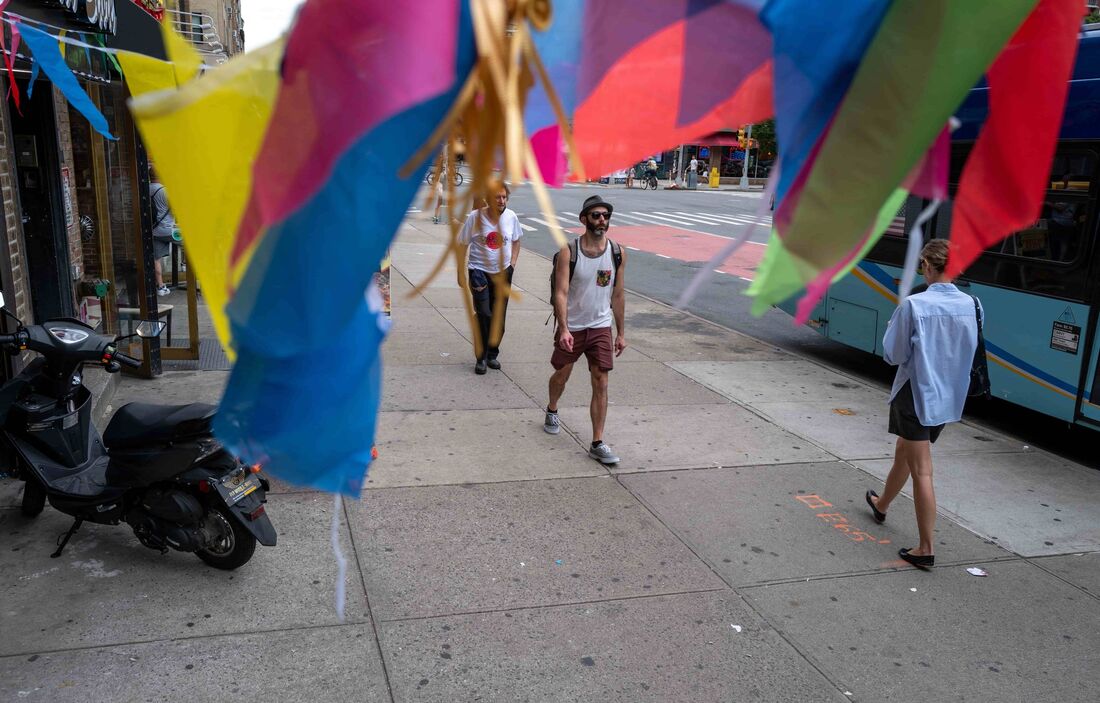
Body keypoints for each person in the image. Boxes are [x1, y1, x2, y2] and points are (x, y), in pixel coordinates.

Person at [865, 239, 980, 570]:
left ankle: (926, 547)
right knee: (906, 450)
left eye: (922, 266)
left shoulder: (914, 306)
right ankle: (881, 502)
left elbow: (894, 355)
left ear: (928, 266)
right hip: (947, 398)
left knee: (922, 470)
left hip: (915, 394)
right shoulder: (972, 305)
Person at [543, 195, 627, 465]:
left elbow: (618, 295)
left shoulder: (617, 252)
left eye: (606, 215)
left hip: (601, 326)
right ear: (584, 220)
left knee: (601, 380)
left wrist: (621, 332)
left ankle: (597, 442)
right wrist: (565, 328)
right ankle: (552, 408)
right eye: (596, 215)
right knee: (562, 374)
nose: (602, 220)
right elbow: (561, 292)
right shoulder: (570, 251)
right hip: (574, 326)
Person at [457, 180, 523, 374]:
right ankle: (481, 357)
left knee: (498, 318)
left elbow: (517, 241)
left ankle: (492, 354)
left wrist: (512, 265)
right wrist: (460, 273)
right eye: (497, 197)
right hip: (479, 271)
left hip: (503, 273)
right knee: (484, 314)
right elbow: (462, 245)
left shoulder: (511, 217)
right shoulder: (475, 218)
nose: (501, 200)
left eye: (504, 197)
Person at [149, 165, 176, 297]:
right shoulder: (164, 191)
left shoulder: (145, 189)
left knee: (156, 258)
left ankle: (161, 287)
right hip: (168, 231)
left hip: (154, 231)